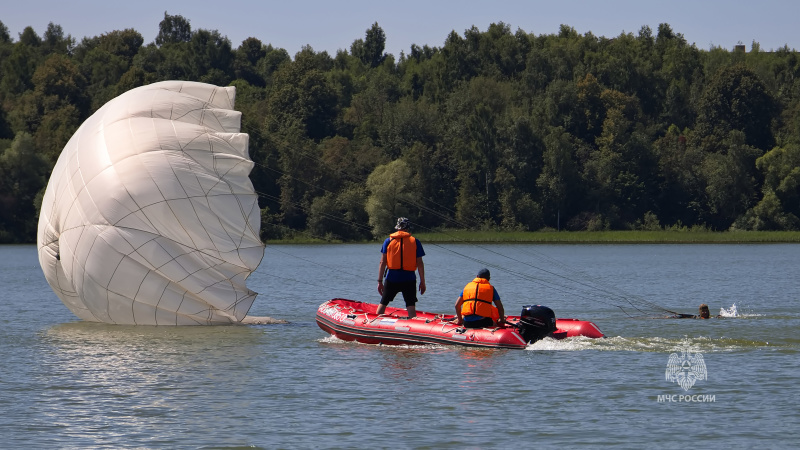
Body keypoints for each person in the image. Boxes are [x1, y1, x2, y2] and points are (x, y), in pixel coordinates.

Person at [376, 217, 426, 318]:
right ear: (407, 228)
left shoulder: (388, 241)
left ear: (398, 228)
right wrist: (422, 282)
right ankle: (412, 329)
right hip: (409, 279)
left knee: (383, 303)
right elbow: (420, 263)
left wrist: (380, 281)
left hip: (392, 278)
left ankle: (373, 325)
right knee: (411, 306)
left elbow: (382, 262)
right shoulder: (415, 242)